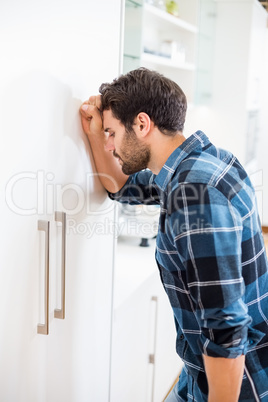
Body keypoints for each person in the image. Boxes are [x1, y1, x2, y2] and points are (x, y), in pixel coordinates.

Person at [80, 68, 268, 401]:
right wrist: (96, 132)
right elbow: (121, 187)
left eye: (112, 133)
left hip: (239, 385)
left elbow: (225, 327)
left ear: (142, 124)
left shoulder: (194, 192)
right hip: (203, 371)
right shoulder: (202, 162)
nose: (109, 145)